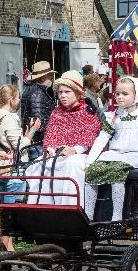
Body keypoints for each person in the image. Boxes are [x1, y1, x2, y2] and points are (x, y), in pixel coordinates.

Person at [84, 77, 138, 222]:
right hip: (117, 154)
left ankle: (117, 217)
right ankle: (88, 216)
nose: (119, 97)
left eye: (125, 94)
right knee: (93, 171)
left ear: (136, 95)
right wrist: (89, 161)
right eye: (117, 94)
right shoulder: (114, 115)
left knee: (116, 169)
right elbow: (102, 138)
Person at [25, 70, 102, 209]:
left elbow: (90, 138)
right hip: (58, 154)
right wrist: (49, 150)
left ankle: (71, 208)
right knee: (38, 164)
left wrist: (74, 149)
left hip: (81, 155)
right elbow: (50, 136)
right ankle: (41, 208)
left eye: (67, 92)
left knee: (71, 164)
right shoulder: (56, 113)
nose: (63, 96)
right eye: (60, 92)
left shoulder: (88, 112)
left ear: (78, 93)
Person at [0, 84, 40, 251]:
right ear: (11, 100)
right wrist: (32, 132)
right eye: (18, 97)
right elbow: (18, 146)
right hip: (13, 169)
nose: (20, 100)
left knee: (5, 206)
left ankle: (8, 246)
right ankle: (7, 248)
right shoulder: (9, 117)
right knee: (10, 211)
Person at [20, 61, 57, 159]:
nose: (52, 78)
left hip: (35, 141)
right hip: (39, 143)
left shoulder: (31, 89)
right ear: (43, 77)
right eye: (50, 75)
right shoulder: (38, 93)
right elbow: (38, 121)